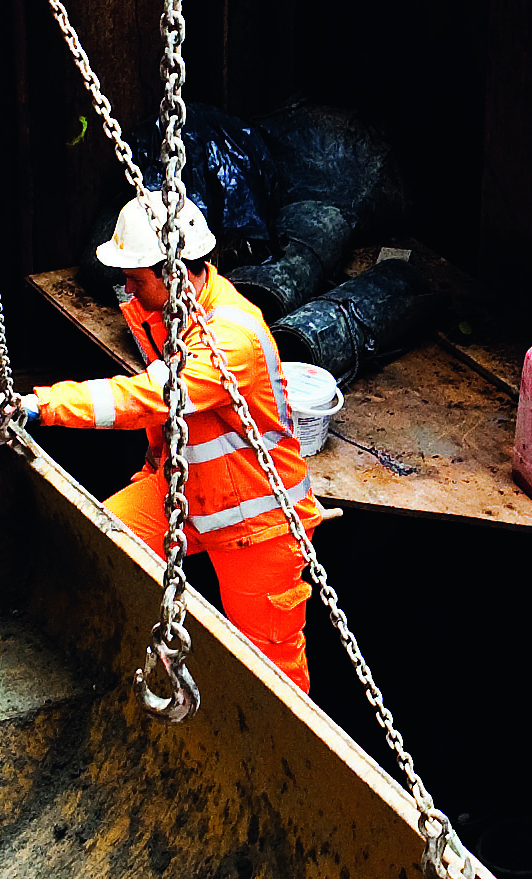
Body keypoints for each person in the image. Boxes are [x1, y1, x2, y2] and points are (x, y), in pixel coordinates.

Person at [17, 189, 316, 684]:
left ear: (173, 273)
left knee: (272, 673)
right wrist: (156, 468)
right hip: (181, 490)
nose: (127, 293)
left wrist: (42, 404)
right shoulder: (163, 312)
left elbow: (152, 397)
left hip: (255, 522)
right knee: (102, 550)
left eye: (134, 280)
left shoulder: (231, 340)